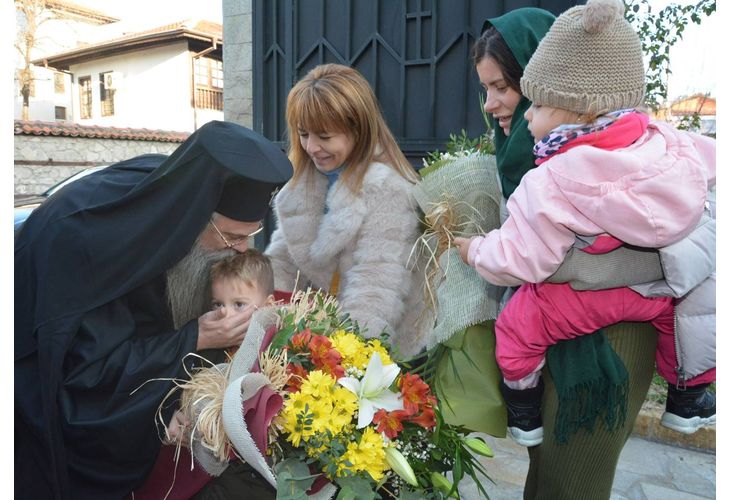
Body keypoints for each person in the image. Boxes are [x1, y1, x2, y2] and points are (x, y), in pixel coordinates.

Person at [455, 0, 715, 447]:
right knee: (696, 308)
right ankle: (689, 395)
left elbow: (522, 259)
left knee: (517, 325)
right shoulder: (667, 143)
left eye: (536, 103)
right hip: (661, 297)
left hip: (586, 315)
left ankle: (523, 412)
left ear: (578, 111)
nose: (525, 116)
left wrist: (473, 249)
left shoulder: (553, 175)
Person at [15, 120, 293, 500]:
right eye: (233, 237)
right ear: (193, 215)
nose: (242, 249)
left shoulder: (176, 195)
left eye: (252, 235)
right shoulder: (93, 244)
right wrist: (195, 337)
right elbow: (87, 381)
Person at [265, 63, 428, 358]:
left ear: (358, 129)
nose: (312, 147)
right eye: (303, 134)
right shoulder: (302, 184)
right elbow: (282, 262)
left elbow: (377, 285)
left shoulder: (387, 188)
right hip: (319, 342)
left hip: (377, 351)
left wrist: (349, 362)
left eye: (324, 137)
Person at [209, 249, 276, 358]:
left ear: (268, 306)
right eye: (218, 304)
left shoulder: (275, 347)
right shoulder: (211, 349)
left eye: (239, 304)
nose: (226, 314)